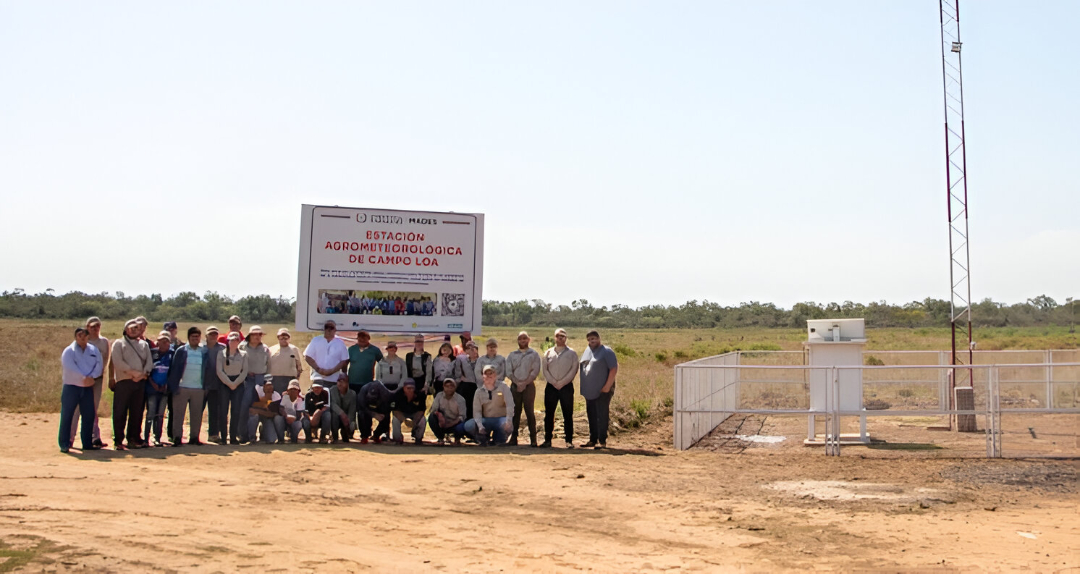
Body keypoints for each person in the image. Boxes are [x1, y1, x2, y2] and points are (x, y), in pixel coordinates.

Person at [58, 327, 103, 453]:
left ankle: (87, 443)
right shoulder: (69, 351)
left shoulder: (94, 350)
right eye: (79, 335)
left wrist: (92, 377)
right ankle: (64, 443)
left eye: (84, 335)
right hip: (71, 386)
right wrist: (83, 377)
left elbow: (99, 365)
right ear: (75, 337)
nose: (82, 338)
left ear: (88, 337)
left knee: (89, 415)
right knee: (68, 415)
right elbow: (69, 367)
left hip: (88, 387)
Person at [110, 319, 152, 450]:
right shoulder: (118, 343)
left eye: (136, 328)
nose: (134, 330)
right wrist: (133, 373)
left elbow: (149, 362)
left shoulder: (144, 345)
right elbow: (117, 362)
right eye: (131, 327)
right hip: (124, 381)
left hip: (140, 382)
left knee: (137, 412)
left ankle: (133, 439)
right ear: (125, 329)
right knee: (120, 412)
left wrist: (143, 374)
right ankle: (118, 440)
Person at [70, 317, 109, 449]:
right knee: (76, 409)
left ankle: (95, 437)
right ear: (87, 327)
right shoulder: (81, 342)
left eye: (97, 326)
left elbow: (105, 360)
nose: (95, 328)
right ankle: (70, 438)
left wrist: (96, 375)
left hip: (97, 380)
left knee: (92, 408)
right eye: (92, 326)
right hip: (80, 380)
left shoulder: (104, 342)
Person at [167, 326, 209, 446]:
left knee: (196, 415)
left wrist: (205, 387)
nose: (195, 339)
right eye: (193, 336)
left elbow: (207, 369)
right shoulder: (181, 350)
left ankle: (194, 437)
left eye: (197, 336)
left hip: (198, 388)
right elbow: (175, 369)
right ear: (189, 338)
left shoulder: (204, 351)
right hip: (182, 387)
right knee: (178, 415)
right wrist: (174, 386)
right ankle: (177, 437)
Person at [541, 328, 579, 448]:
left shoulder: (572, 353)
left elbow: (574, 369)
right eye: (558, 336)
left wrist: (562, 382)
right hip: (551, 387)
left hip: (566, 387)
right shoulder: (548, 353)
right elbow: (545, 369)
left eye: (562, 336)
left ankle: (568, 440)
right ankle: (547, 440)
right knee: (549, 414)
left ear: (566, 338)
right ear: (554, 338)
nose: (560, 338)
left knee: (567, 414)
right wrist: (553, 382)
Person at [580, 330, 618, 449]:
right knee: (591, 414)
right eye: (590, 339)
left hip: (603, 390)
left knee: (602, 415)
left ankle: (602, 441)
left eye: (594, 339)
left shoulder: (607, 351)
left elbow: (613, 368)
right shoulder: (587, 351)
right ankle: (593, 439)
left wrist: (607, 386)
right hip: (589, 390)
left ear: (599, 339)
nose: (592, 341)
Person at [506, 331, 541, 446]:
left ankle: (533, 439)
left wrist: (525, 383)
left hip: (529, 386)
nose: (522, 340)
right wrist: (517, 383)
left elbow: (535, 371)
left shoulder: (534, 354)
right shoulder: (512, 355)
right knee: (515, 412)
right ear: (518, 341)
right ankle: (513, 437)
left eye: (525, 338)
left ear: (529, 340)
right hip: (515, 386)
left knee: (529, 412)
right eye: (520, 339)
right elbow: (508, 371)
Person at [465, 366, 514, 446]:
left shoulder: (504, 387)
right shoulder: (479, 391)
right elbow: (477, 411)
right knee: (469, 425)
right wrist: (480, 426)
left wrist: (509, 421)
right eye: (486, 374)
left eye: (491, 373)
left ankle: (500, 439)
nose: (489, 376)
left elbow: (510, 405)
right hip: (486, 420)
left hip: (501, 419)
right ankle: (483, 439)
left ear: (495, 375)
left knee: (507, 424)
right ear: (482, 377)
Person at [238, 326, 270, 443]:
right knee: (244, 406)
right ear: (249, 336)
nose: (257, 337)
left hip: (261, 379)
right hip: (246, 378)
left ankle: (259, 434)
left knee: (261, 406)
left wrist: (267, 380)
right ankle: (243, 434)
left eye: (259, 334)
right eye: (254, 334)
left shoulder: (265, 349)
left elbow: (269, 365)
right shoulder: (241, 347)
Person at [216, 332, 249, 445]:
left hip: (238, 383)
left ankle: (233, 437)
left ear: (239, 341)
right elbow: (219, 371)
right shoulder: (221, 354)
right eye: (231, 340)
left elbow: (244, 371)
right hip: (224, 383)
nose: (233, 342)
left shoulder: (244, 354)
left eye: (235, 340)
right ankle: (224, 437)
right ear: (228, 341)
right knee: (223, 411)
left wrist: (235, 383)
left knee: (236, 411)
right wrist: (229, 383)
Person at [304, 320, 350, 391]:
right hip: (317, 377)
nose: (329, 330)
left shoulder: (340, 343)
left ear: (335, 330)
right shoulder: (316, 340)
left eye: (331, 328)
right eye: (326, 327)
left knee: (331, 399)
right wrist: (318, 369)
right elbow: (307, 357)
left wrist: (331, 371)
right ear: (324, 329)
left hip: (333, 379)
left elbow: (344, 361)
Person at [144, 332, 172, 446]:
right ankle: (146, 438)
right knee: (150, 413)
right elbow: (147, 370)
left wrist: (167, 384)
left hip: (164, 389)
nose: (165, 343)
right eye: (162, 341)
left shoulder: (172, 354)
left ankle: (157, 437)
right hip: (152, 388)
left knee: (160, 414)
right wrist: (152, 383)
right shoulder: (152, 353)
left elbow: (173, 372)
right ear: (158, 342)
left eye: (167, 341)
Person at [201, 326, 226, 444]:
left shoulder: (223, 348)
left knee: (214, 411)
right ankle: (194, 434)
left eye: (215, 334)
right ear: (206, 336)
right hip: (201, 384)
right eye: (210, 334)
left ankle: (213, 434)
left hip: (217, 384)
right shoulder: (201, 348)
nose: (213, 336)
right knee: (197, 410)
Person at [428, 379, 467, 445]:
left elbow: (462, 416)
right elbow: (433, 410)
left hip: (455, 423)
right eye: (447, 386)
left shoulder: (460, 399)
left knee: (463, 425)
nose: (449, 388)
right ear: (443, 387)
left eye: (451, 386)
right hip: (442, 422)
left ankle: (457, 439)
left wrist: (451, 423)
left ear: (455, 387)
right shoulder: (439, 396)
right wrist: (439, 415)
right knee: (431, 417)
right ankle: (440, 438)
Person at [346, 330, 383, 397]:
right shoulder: (351, 349)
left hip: (367, 382)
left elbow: (382, 364)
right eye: (360, 339)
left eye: (364, 339)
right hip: (352, 382)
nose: (362, 341)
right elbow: (345, 364)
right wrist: (345, 377)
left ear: (368, 339)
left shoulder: (375, 350)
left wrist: (379, 378)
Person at [390, 380, 426, 445]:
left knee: (423, 420)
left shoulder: (420, 395)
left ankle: (418, 438)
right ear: (404, 388)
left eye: (412, 388)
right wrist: (404, 420)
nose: (410, 390)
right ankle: (397, 438)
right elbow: (395, 411)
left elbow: (421, 411)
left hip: (414, 414)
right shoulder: (397, 394)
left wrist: (414, 421)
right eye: (408, 388)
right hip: (401, 413)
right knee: (395, 420)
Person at [268, 328, 303, 394]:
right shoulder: (271, 349)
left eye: (286, 337)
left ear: (289, 338)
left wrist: (296, 379)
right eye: (281, 337)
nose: (284, 339)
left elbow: (299, 366)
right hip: (275, 379)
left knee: (289, 400)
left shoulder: (294, 349)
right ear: (278, 338)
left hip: (290, 379)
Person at [248, 379, 284, 444]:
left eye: (271, 389)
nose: (269, 390)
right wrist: (264, 405)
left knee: (271, 440)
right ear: (263, 387)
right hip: (258, 415)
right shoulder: (257, 390)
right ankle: (252, 438)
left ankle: (262, 430)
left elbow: (273, 414)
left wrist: (258, 410)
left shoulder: (277, 396)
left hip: (267, 418)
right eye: (267, 388)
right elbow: (251, 409)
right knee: (254, 417)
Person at [357, 380, 392, 444]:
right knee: (361, 414)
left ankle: (377, 434)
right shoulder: (363, 391)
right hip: (366, 407)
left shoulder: (386, 394)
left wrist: (381, 415)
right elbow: (362, 407)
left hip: (380, 407)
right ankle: (365, 435)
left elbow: (387, 409)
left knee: (386, 417)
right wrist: (373, 414)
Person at [453, 341, 480, 421]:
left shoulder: (482, 360)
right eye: (469, 348)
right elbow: (458, 375)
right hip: (465, 387)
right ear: (466, 350)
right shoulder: (460, 359)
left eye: (474, 348)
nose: (472, 350)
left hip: (478, 387)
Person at [328, 378, 357, 443]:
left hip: (346, 417)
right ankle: (334, 436)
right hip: (336, 415)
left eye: (342, 382)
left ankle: (346, 433)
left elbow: (352, 410)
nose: (340, 384)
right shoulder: (332, 390)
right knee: (334, 415)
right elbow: (332, 404)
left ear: (347, 384)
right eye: (338, 381)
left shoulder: (352, 394)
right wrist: (341, 413)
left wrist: (347, 421)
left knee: (352, 424)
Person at [279, 379, 306, 444]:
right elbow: (281, 408)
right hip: (284, 418)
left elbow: (299, 414)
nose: (293, 391)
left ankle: (294, 438)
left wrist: (292, 419)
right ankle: (280, 439)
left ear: (298, 391)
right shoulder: (284, 397)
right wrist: (286, 416)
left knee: (298, 424)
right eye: (291, 389)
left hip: (295, 419)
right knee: (278, 419)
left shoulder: (301, 399)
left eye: (295, 389)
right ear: (287, 390)